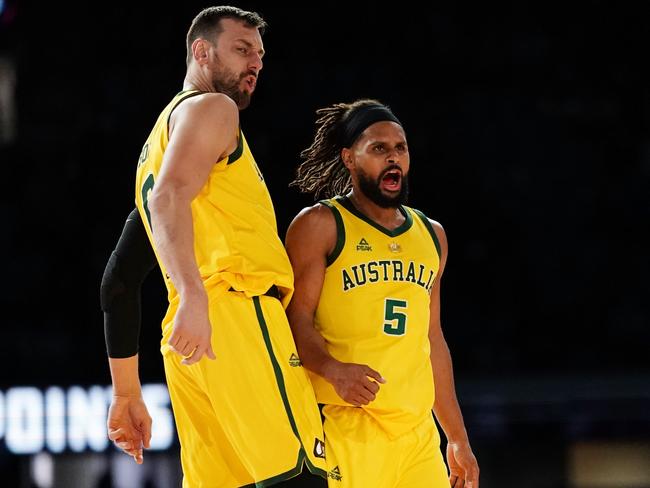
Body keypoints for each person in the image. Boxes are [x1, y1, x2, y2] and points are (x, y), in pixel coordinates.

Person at [100, 7, 327, 487]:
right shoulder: (213, 109)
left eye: (261, 56)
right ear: (201, 52)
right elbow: (167, 197)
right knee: (301, 476)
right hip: (234, 316)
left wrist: (125, 394)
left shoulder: (156, 150)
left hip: (188, 345)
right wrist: (197, 295)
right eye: (242, 49)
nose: (256, 64)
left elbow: (118, 281)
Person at [285, 99, 480, 488]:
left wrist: (457, 437)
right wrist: (332, 369)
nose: (393, 158)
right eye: (378, 148)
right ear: (349, 158)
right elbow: (293, 320)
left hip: (416, 432)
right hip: (347, 423)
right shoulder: (321, 225)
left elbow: (432, 339)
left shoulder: (431, 235)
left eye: (400, 148)